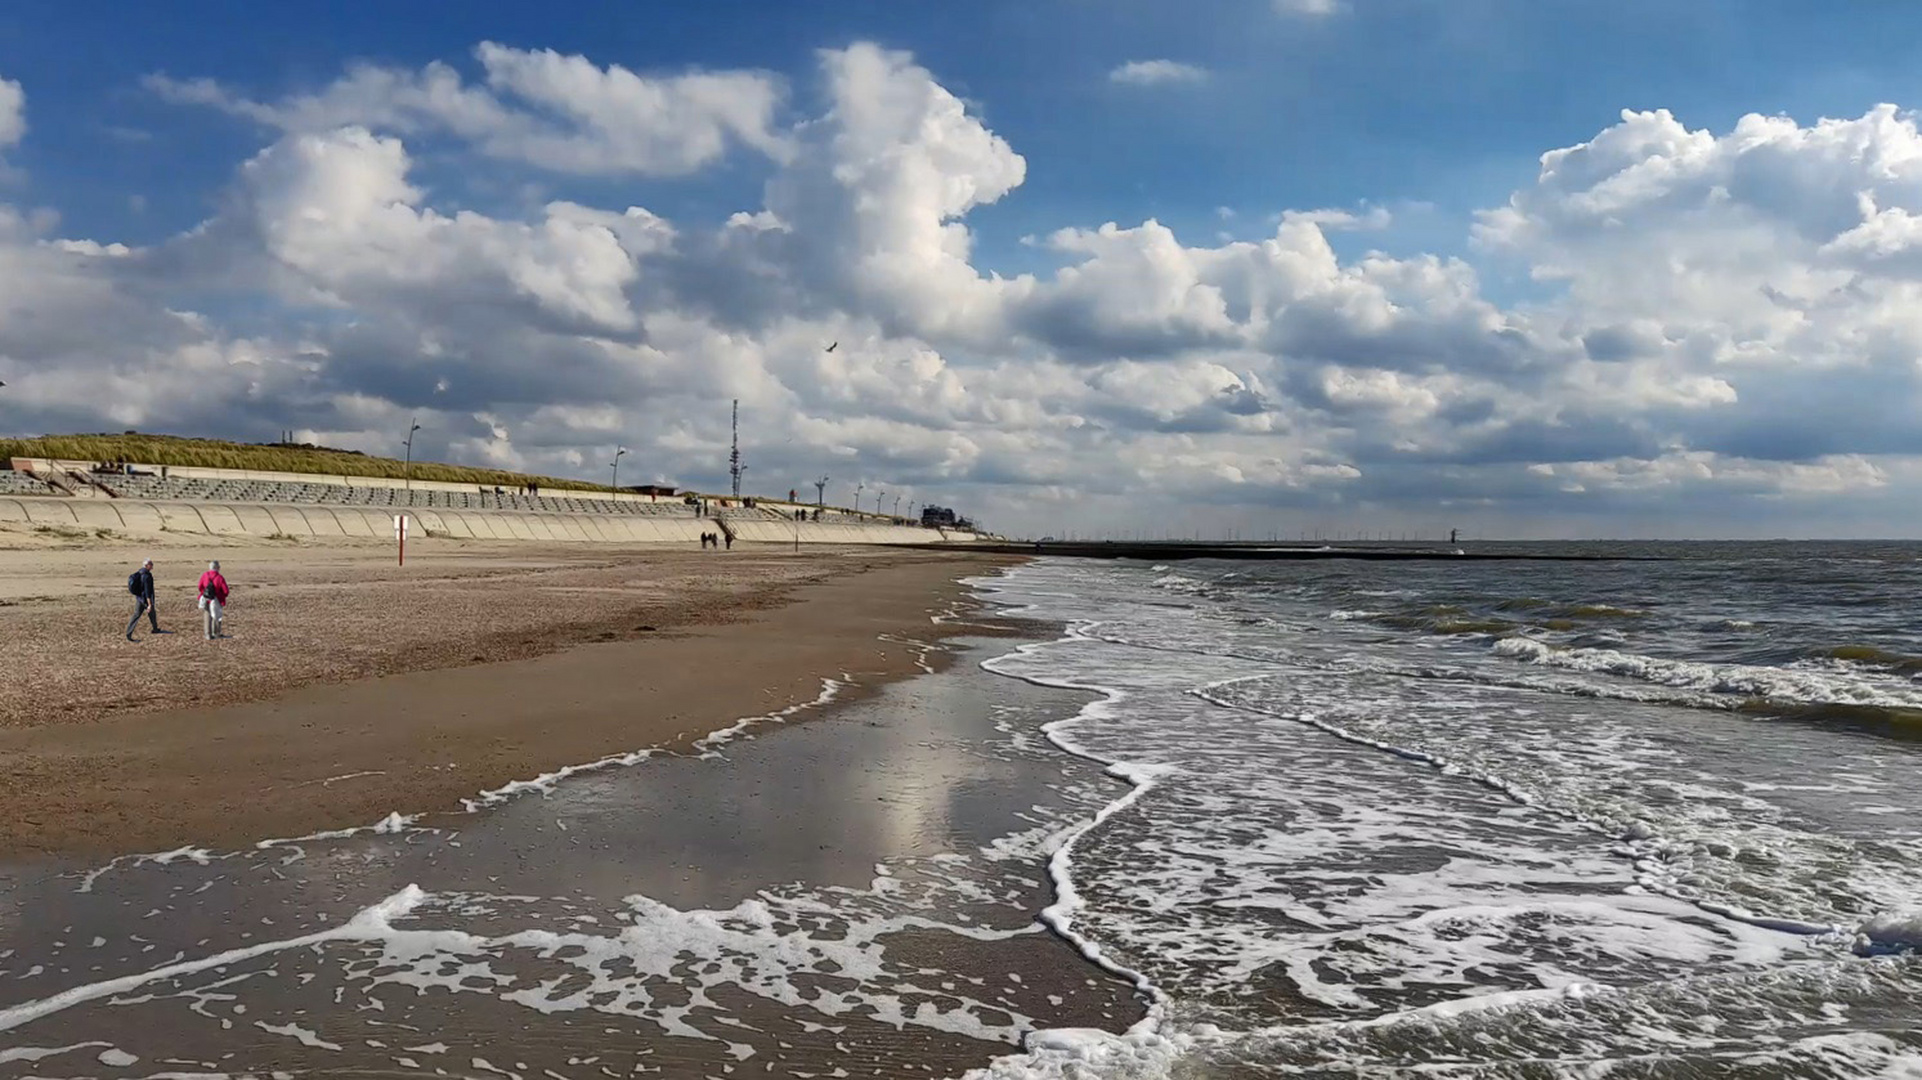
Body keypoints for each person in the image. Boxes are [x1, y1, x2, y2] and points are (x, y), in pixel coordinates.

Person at [125, 558, 161, 640]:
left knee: (149, 614)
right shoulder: (146, 576)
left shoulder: (140, 572)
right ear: (146, 565)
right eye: (151, 564)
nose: (152, 565)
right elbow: (147, 591)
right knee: (145, 613)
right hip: (145, 599)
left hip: (139, 598)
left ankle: (155, 628)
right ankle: (129, 633)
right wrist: (149, 604)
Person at [197, 560, 230, 640]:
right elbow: (226, 591)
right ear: (216, 568)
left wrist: (203, 593)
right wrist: (221, 596)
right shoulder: (219, 577)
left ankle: (207, 634)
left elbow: (200, 586)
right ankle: (216, 633)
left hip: (206, 598)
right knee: (217, 616)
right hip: (216, 599)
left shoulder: (205, 575)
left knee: (207, 615)